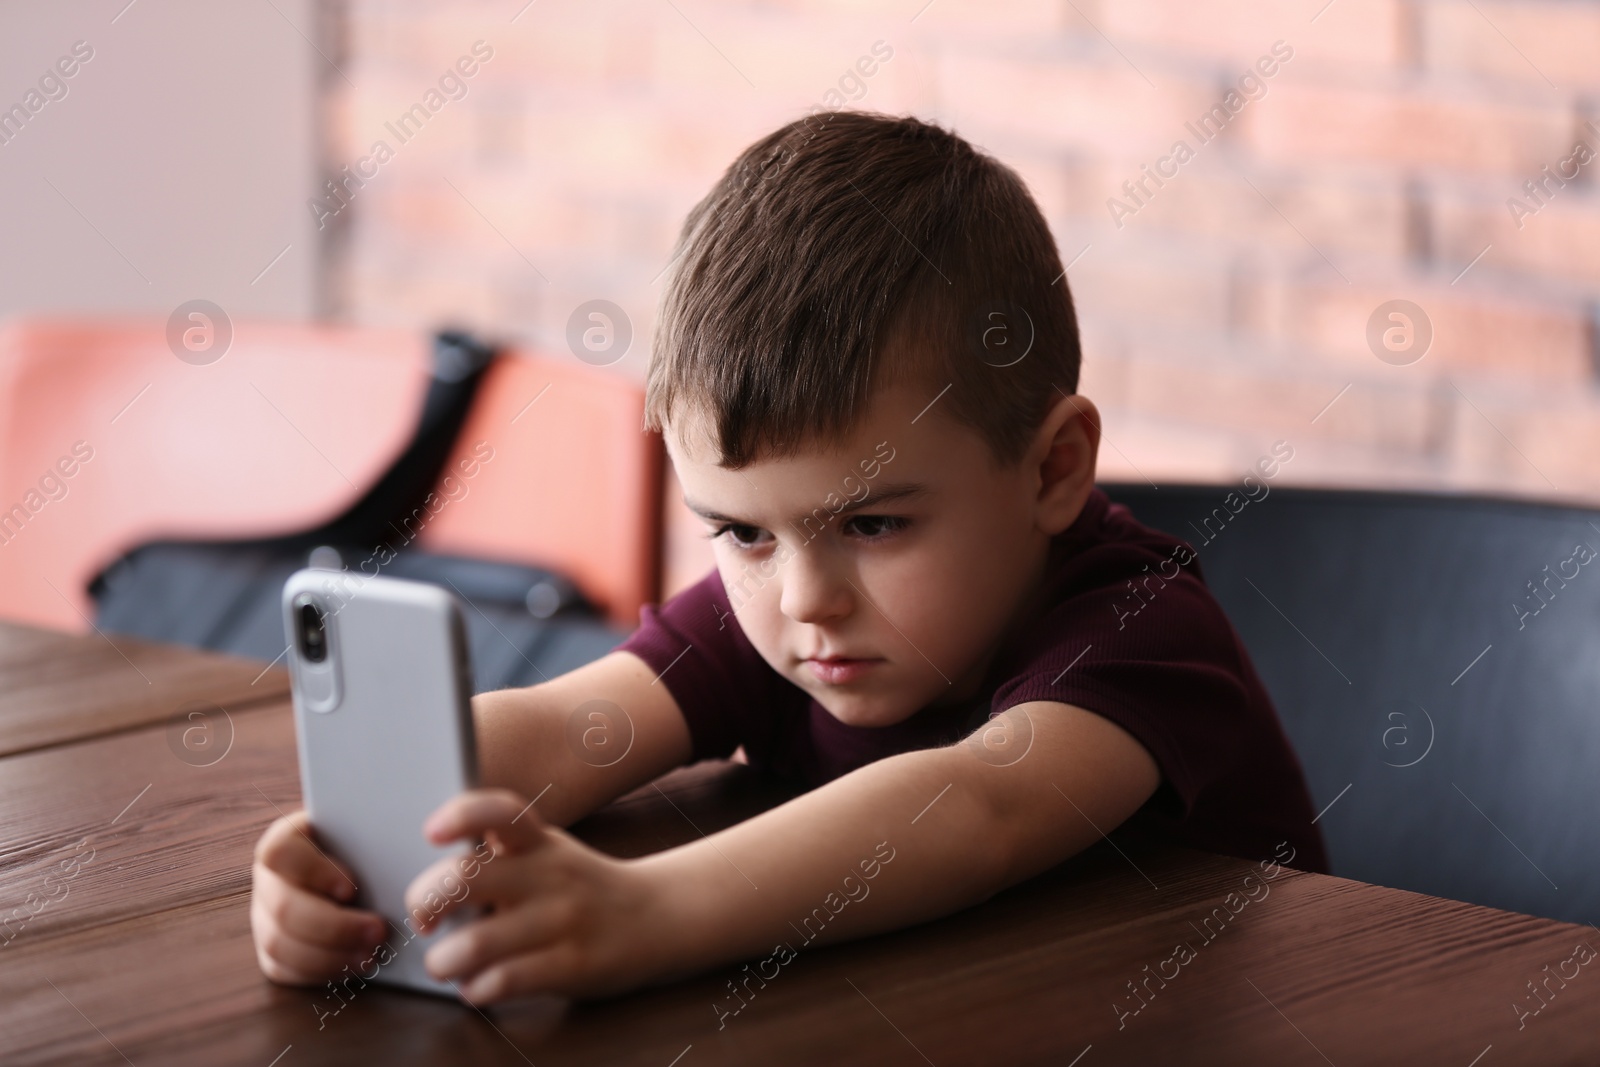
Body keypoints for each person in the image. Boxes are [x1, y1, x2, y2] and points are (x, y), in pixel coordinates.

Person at [251, 111, 1327, 1006]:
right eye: (740, 530)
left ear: (1053, 469)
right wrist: (357, 838)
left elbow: (976, 809)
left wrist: (643, 912)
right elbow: (566, 724)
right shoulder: (775, 609)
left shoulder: (1142, 626)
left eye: (872, 525)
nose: (804, 598)